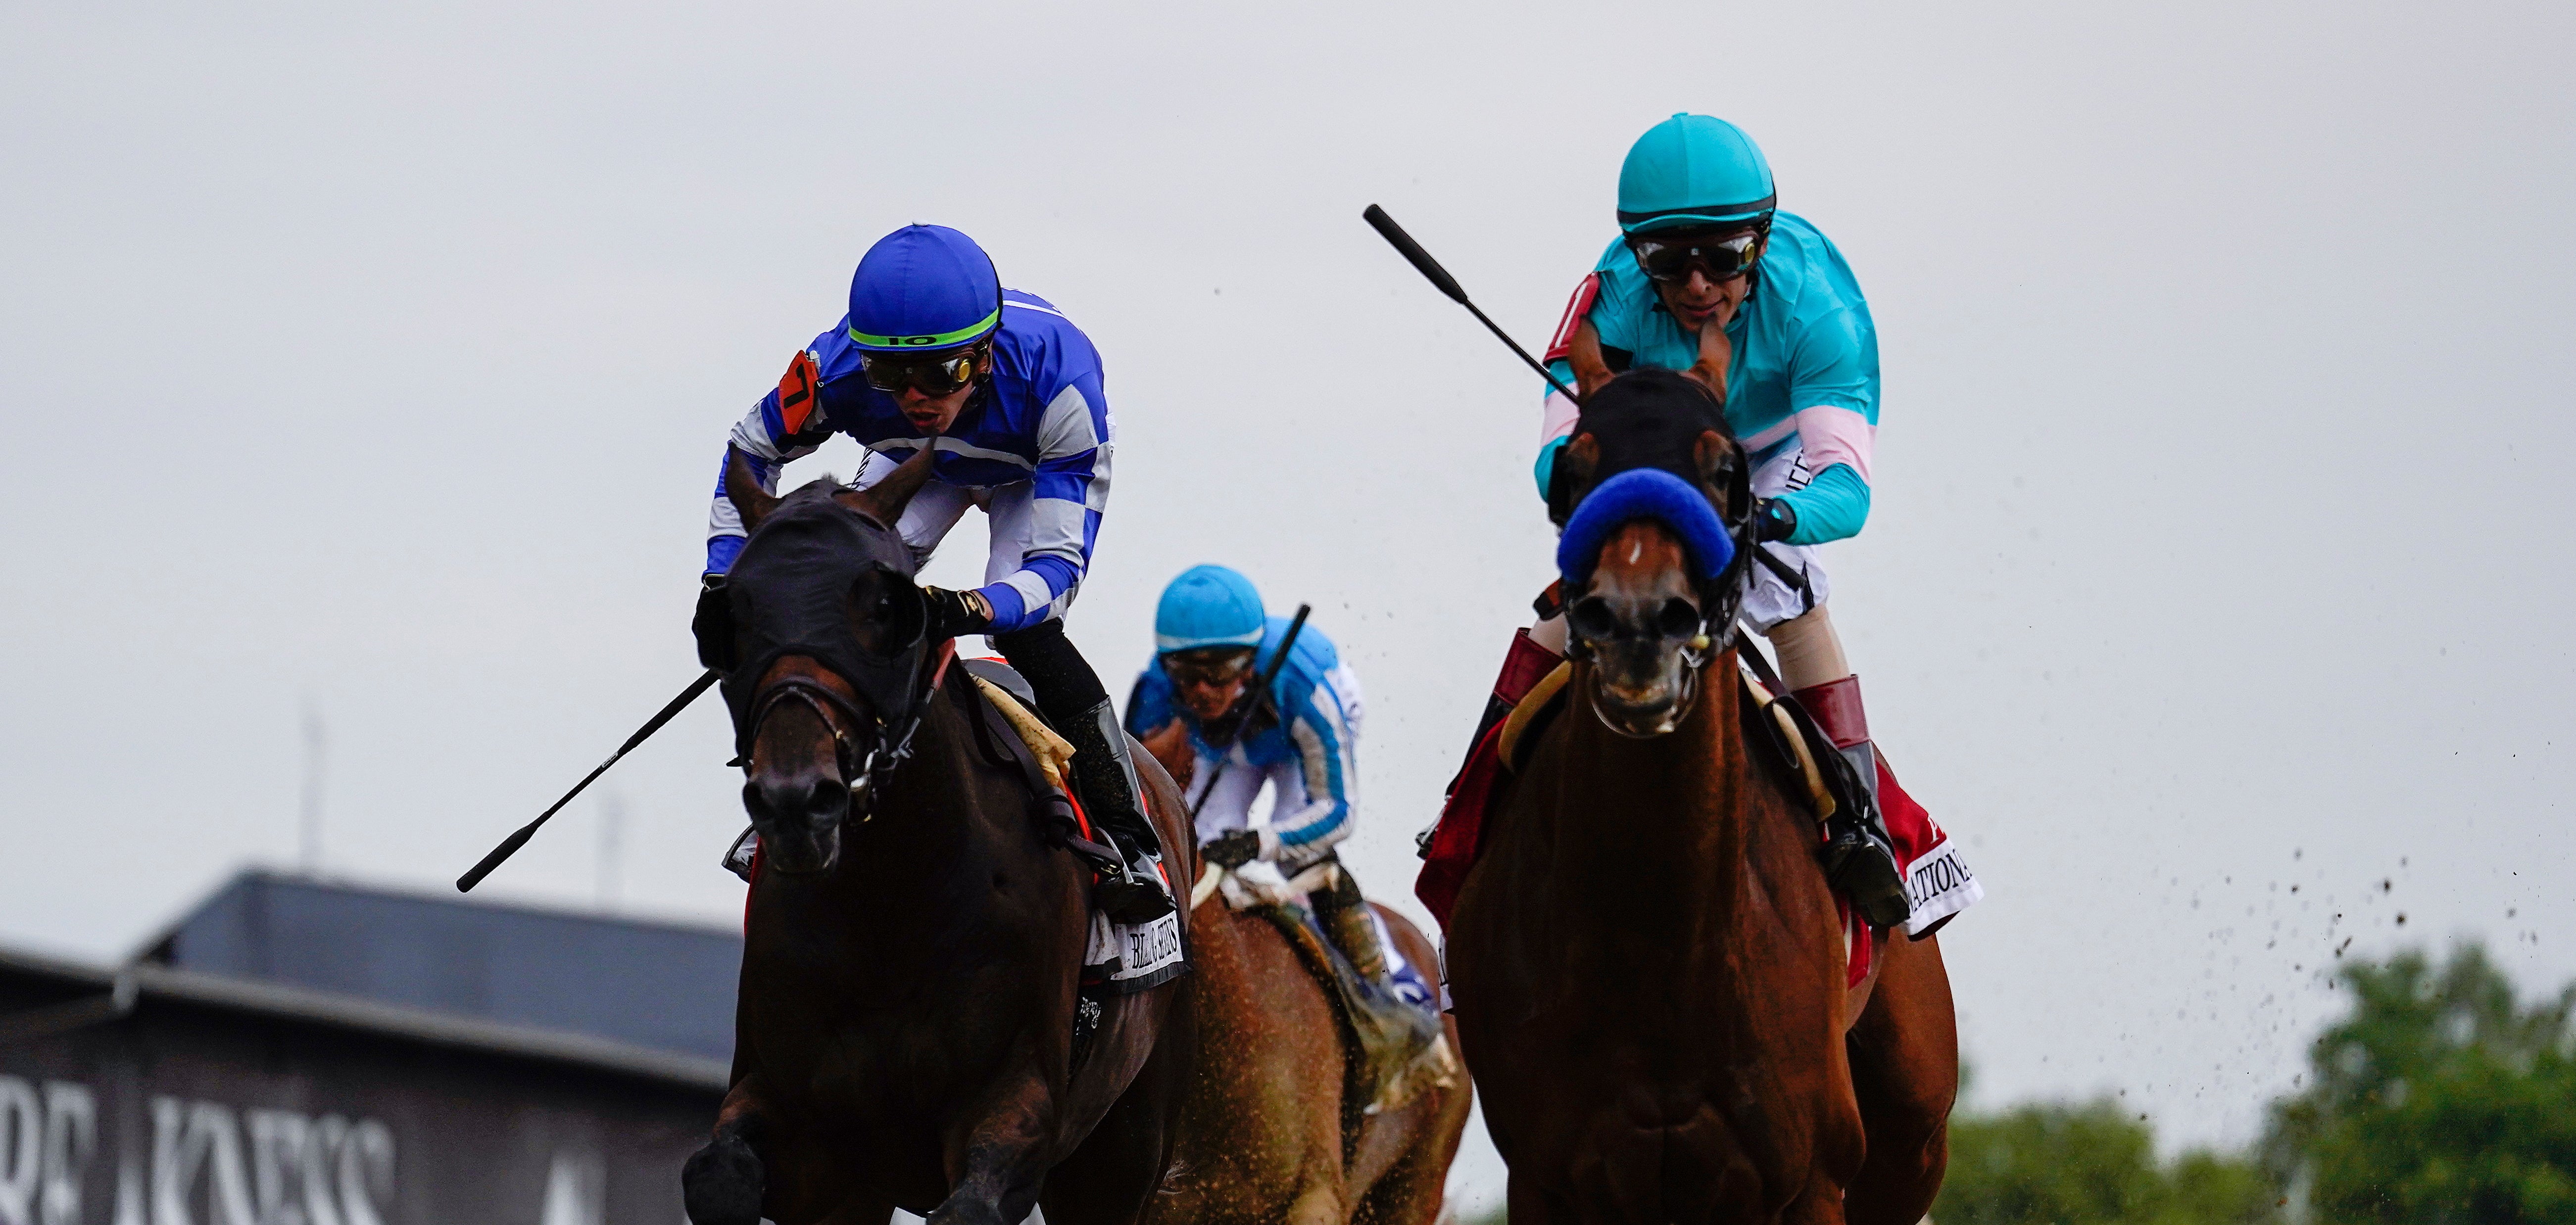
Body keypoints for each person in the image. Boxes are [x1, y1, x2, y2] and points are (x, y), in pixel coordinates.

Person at [1474, 113, 1919, 928]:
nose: (1696, 286)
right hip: (1653, 455)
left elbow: (1845, 488)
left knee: (1786, 589)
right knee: (1565, 620)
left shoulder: (1821, 310)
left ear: (1762, 240)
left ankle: (1863, 827)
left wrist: (1766, 512)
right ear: (1636, 254)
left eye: (1724, 258)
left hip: (1780, 460)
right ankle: (1472, 820)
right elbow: (1553, 467)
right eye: (1667, 262)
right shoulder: (1604, 305)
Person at [703, 223, 1170, 923]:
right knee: (843, 599)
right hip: (919, 463)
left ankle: (1132, 838)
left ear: (983, 357)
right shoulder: (830, 370)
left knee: (1030, 636)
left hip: (1028, 470)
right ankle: (797, 787)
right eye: (890, 377)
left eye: (941, 373)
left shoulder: (1062, 383)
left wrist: (968, 609)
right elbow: (750, 449)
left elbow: (1052, 576)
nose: (915, 398)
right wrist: (724, 579)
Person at [1126, 564, 1437, 1084]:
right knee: (1195, 848)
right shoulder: (1155, 687)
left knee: (1297, 848)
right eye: (1187, 676)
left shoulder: (1308, 689)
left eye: (1218, 672)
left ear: (1248, 664)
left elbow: (1337, 813)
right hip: (1228, 744)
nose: (1201, 690)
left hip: (1301, 734)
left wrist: (1260, 842)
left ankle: (1384, 992)